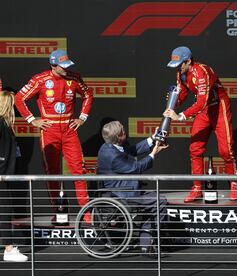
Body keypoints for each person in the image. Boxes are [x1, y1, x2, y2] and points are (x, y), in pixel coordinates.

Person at [14, 49, 93, 221]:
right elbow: (19, 98)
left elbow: (88, 95)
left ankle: (87, 214)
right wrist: (31, 119)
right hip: (50, 131)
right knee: (52, 172)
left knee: (79, 170)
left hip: (69, 129)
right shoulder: (40, 79)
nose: (66, 69)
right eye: (62, 66)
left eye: (67, 65)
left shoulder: (74, 77)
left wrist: (82, 118)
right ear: (53, 65)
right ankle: (58, 212)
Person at [163, 46, 237, 203]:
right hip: (204, 111)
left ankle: (234, 184)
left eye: (179, 65)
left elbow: (202, 101)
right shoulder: (181, 74)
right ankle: (197, 188)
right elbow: (183, 94)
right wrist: (172, 102)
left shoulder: (201, 72)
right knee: (195, 148)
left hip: (219, 106)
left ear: (188, 61)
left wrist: (181, 116)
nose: (177, 69)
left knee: (226, 150)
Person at [97, 121, 168, 253]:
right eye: (123, 131)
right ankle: (147, 242)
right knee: (160, 201)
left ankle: (145, 242)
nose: (126, 132)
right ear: (119, 137)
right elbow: (135, 168)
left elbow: (132, 150)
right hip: (122, 195)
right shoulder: (113, 156)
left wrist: (152, 138)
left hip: (125, 190)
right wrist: (153, 154)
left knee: (155, 199)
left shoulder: (108, 147)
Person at [0, 86, 29, 262]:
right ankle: (9, 250)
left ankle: (9, 249)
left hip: (4, 175)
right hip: (1, 175)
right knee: (4, 211)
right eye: (13, 104)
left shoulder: (5, 125)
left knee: (4, 211)